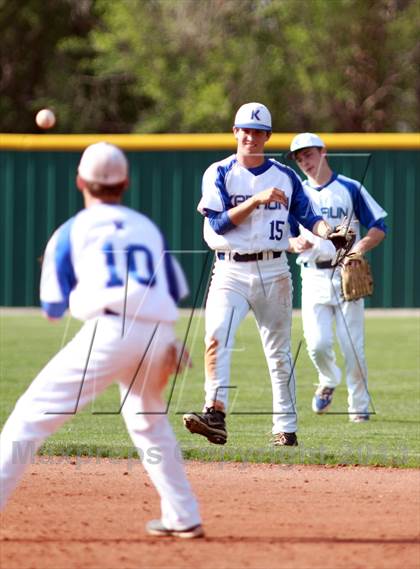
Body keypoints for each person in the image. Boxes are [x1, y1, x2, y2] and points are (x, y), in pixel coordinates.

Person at [0, 142, 204, 539]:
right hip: (158, 334)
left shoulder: (72, 230)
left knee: (27, 421)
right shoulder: (146, 227)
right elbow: (174, 287)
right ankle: (183, 515)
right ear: (125, 183)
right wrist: (169, 340)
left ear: (80, 181)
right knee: (148, 422)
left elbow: (53, 309)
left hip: (109, 332)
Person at [183, 103, 336, 447]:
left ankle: (285, 429)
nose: (250, 136)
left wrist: (331, 231)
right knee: (216, 337)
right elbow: (219, 222)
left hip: (273, 269)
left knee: (278, 352)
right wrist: (256, 201)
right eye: (244, 130)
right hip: (229, 268)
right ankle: (215, 413)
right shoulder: (219, 172)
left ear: (267, 136)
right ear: (235, 132)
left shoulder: (284, 175)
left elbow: (309, 217)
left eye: (258, 132)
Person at [287, 132, 387, 422]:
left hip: (346, 273)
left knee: (353, 347)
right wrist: (294, 244)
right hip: (312, 275)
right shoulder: (298, 194)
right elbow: (286, 236)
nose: (304, 161)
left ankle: (359, 408)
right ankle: (328, 379)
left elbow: (378, 226)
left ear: (323, 151)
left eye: (308, 153)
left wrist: (358, 248)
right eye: (299, 157)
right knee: (316, 344)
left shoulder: (349, 188)